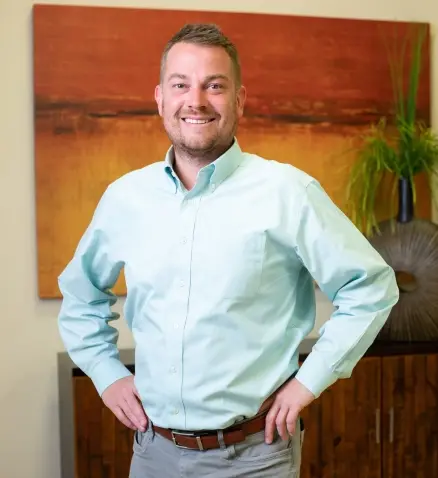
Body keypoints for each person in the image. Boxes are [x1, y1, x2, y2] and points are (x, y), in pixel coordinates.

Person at [58, 23, 399, 478]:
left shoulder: (288, 192)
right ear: (160, 97)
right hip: (153, 454)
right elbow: (81, 298)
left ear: (239, 99)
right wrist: (106, 373)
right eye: (181, 84)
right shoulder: (125, 198)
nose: (195, 100)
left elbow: (371, 287)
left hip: (255, 457)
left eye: (214, 86)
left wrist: (308, 383)